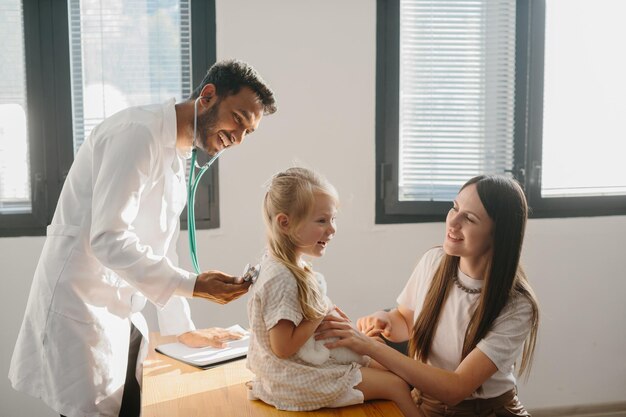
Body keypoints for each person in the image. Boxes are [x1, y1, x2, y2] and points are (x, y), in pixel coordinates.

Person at [9, 59, 277, 417]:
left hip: (120, 314)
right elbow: (108, 238)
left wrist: (184, 331)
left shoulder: (176, 158)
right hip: (81, 311)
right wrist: (194, 285)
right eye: (239, 120)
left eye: (249, 132)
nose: (239, 138)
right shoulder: (137, 133)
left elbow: (162, 249)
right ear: (208, 96)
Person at [319, 175, 540, 417]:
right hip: (426, 403)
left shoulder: (517, 304)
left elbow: (456, 388)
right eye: (455, 207)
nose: (453, 222)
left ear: (499, 234)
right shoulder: (433, 262)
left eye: (469, 218)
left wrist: (370, 346)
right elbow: (407, 321)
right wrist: (386, 320)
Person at [245, 167, 421, 417]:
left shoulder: (288, 265)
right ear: (285, 223)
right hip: (292, 379)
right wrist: (320, 314)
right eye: (321, 220)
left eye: (333, 219)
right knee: (396, 384)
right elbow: (282, 347)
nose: (332, 229)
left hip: (297, 369)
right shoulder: (281, 277)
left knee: (384, 359)